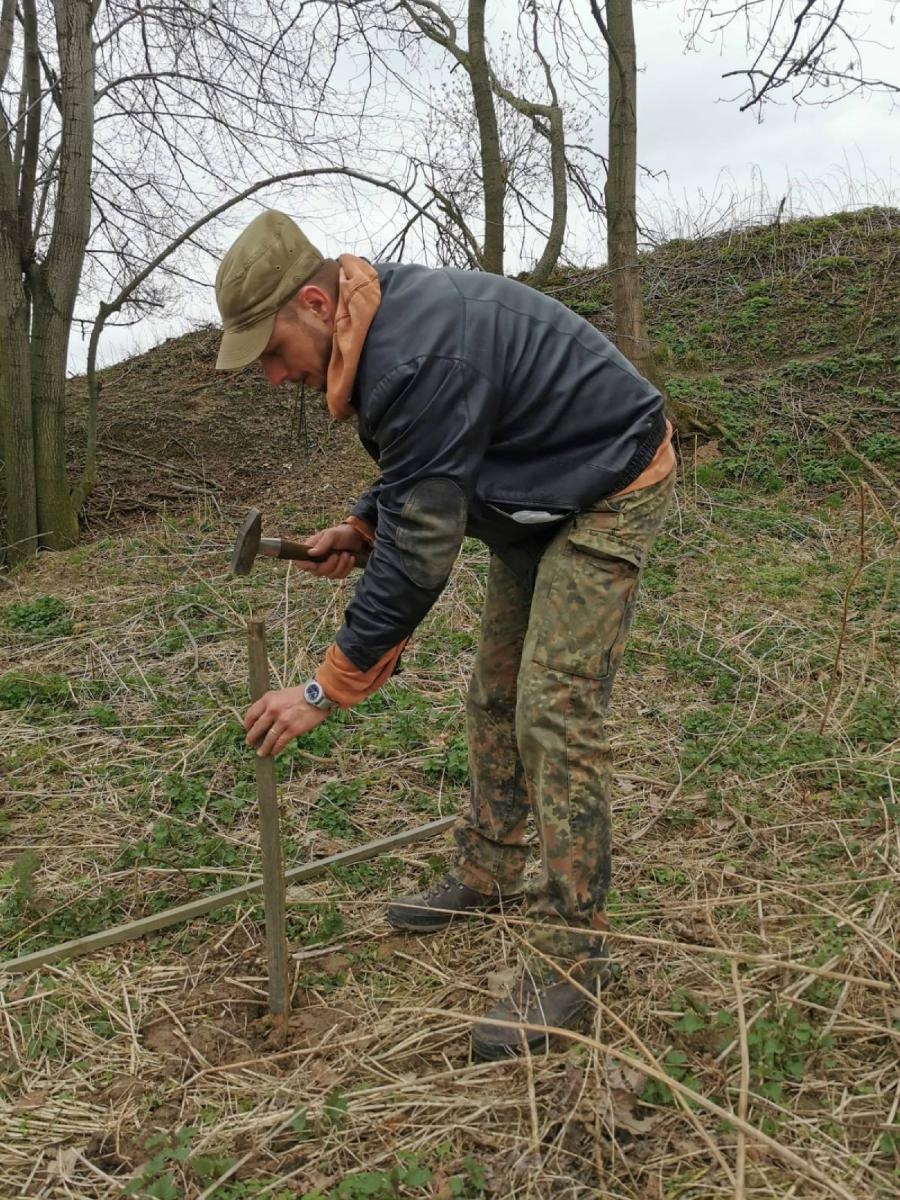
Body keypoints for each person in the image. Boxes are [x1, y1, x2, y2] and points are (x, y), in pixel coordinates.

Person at [215, 210, 675, 1060]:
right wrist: (362, 523)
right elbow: (423, 465)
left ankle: (578, 960)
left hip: (607, 480)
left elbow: (424, 552)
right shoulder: (381, 325)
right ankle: (489, 869)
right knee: (495, 692)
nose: (274, 376)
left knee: (553, 710)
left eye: (273, 352)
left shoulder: (416, 352)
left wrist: (327, 686)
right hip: (536, 486)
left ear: (314, 302)